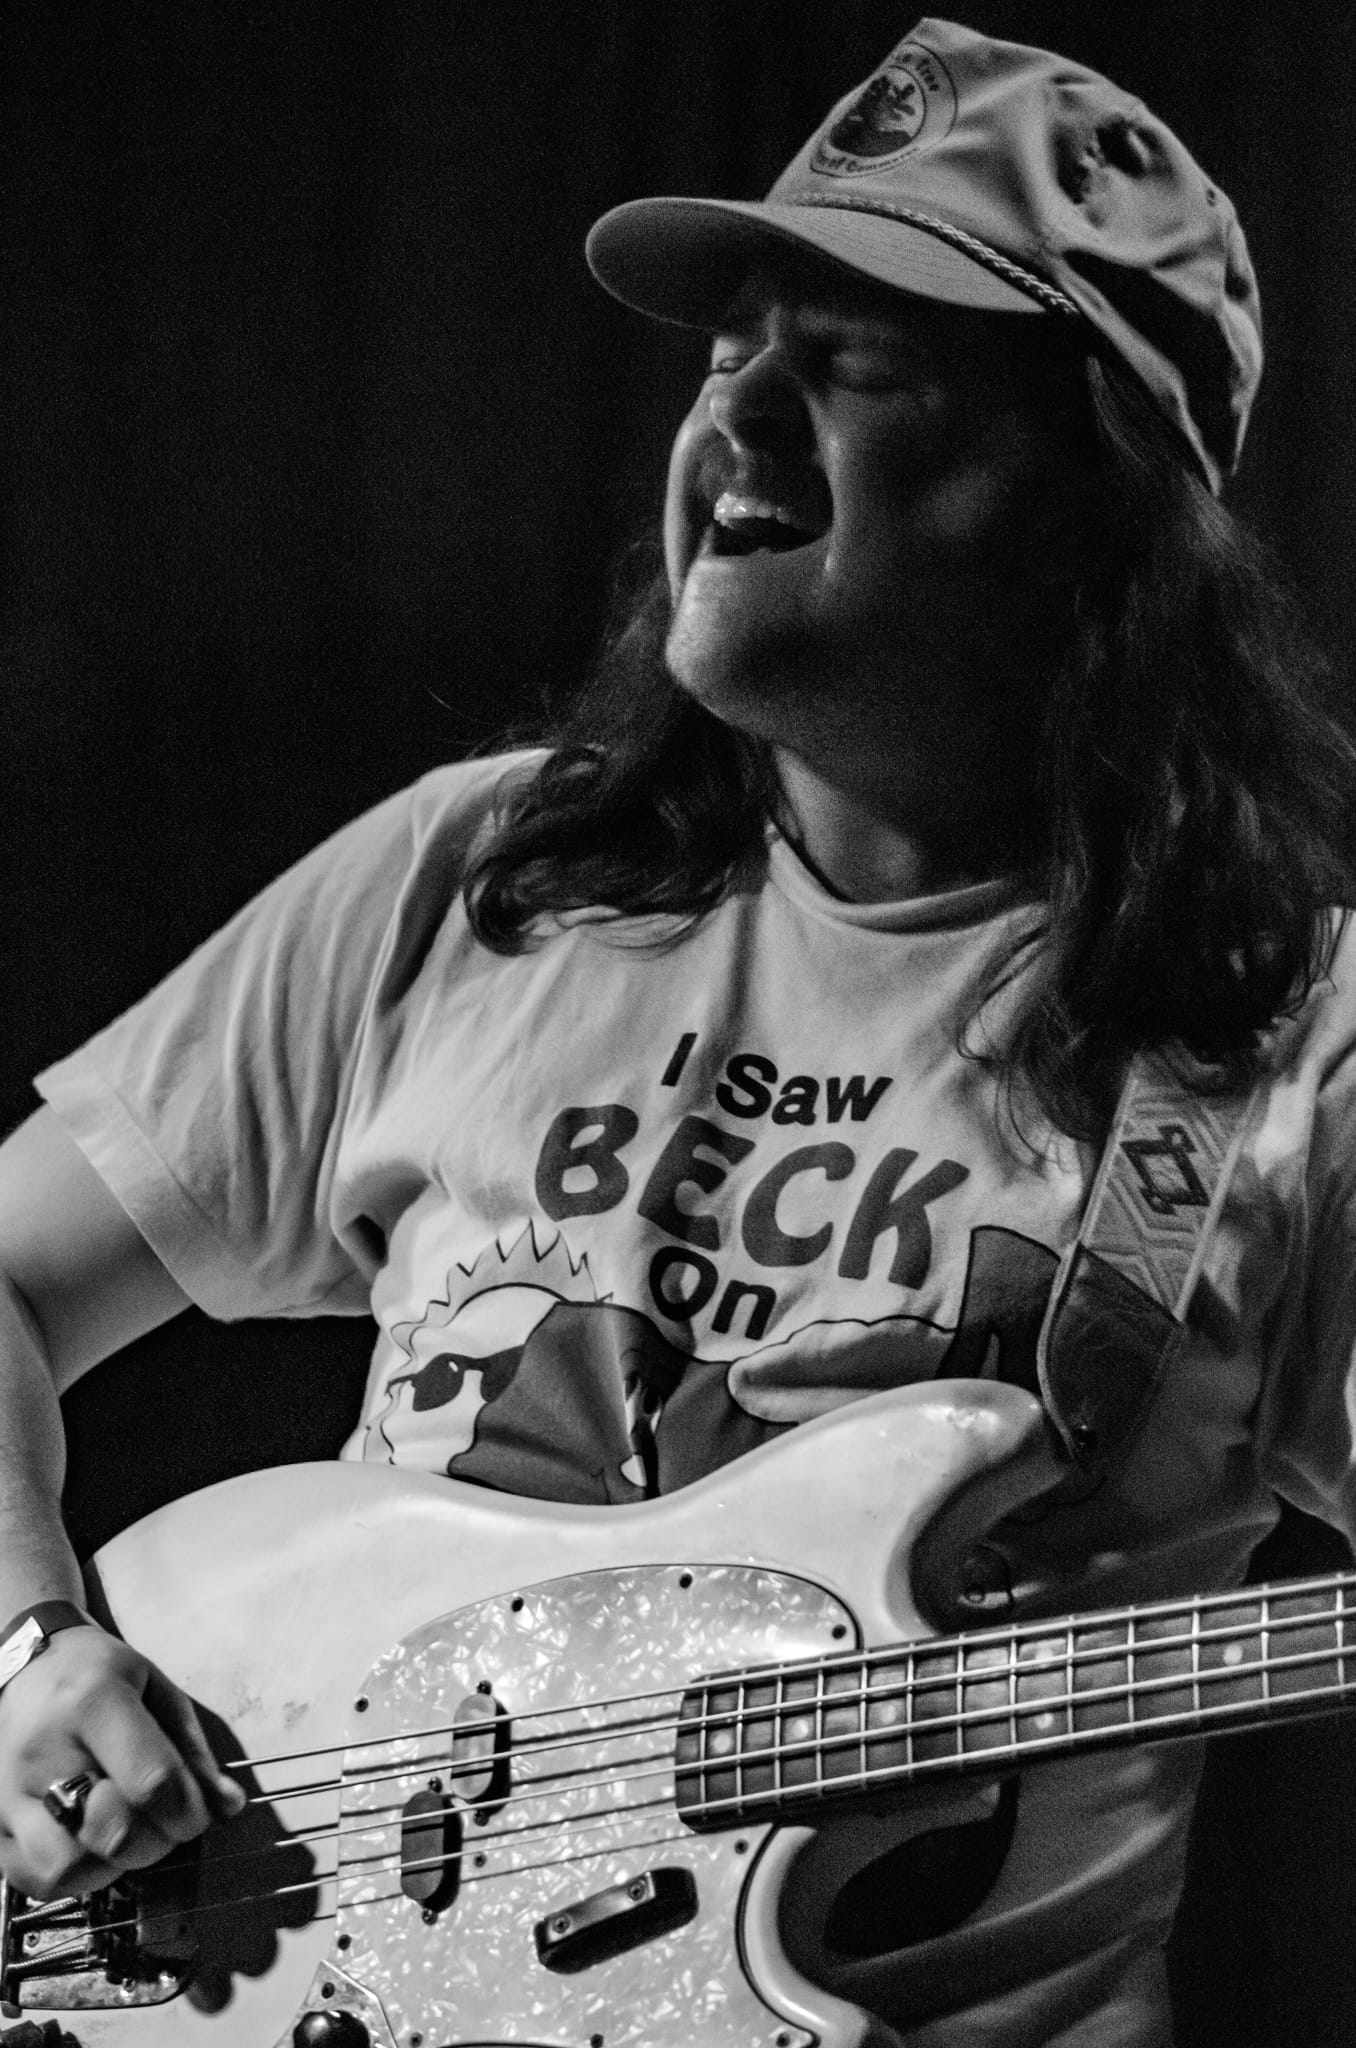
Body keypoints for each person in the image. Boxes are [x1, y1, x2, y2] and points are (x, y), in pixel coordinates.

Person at [0, 16, 1352, 2045]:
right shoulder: (487, 873)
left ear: (1096, 506)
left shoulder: (1287, 1038)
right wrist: (30, 1650)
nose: (737, 409)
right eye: (731, 349)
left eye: (857, 358)